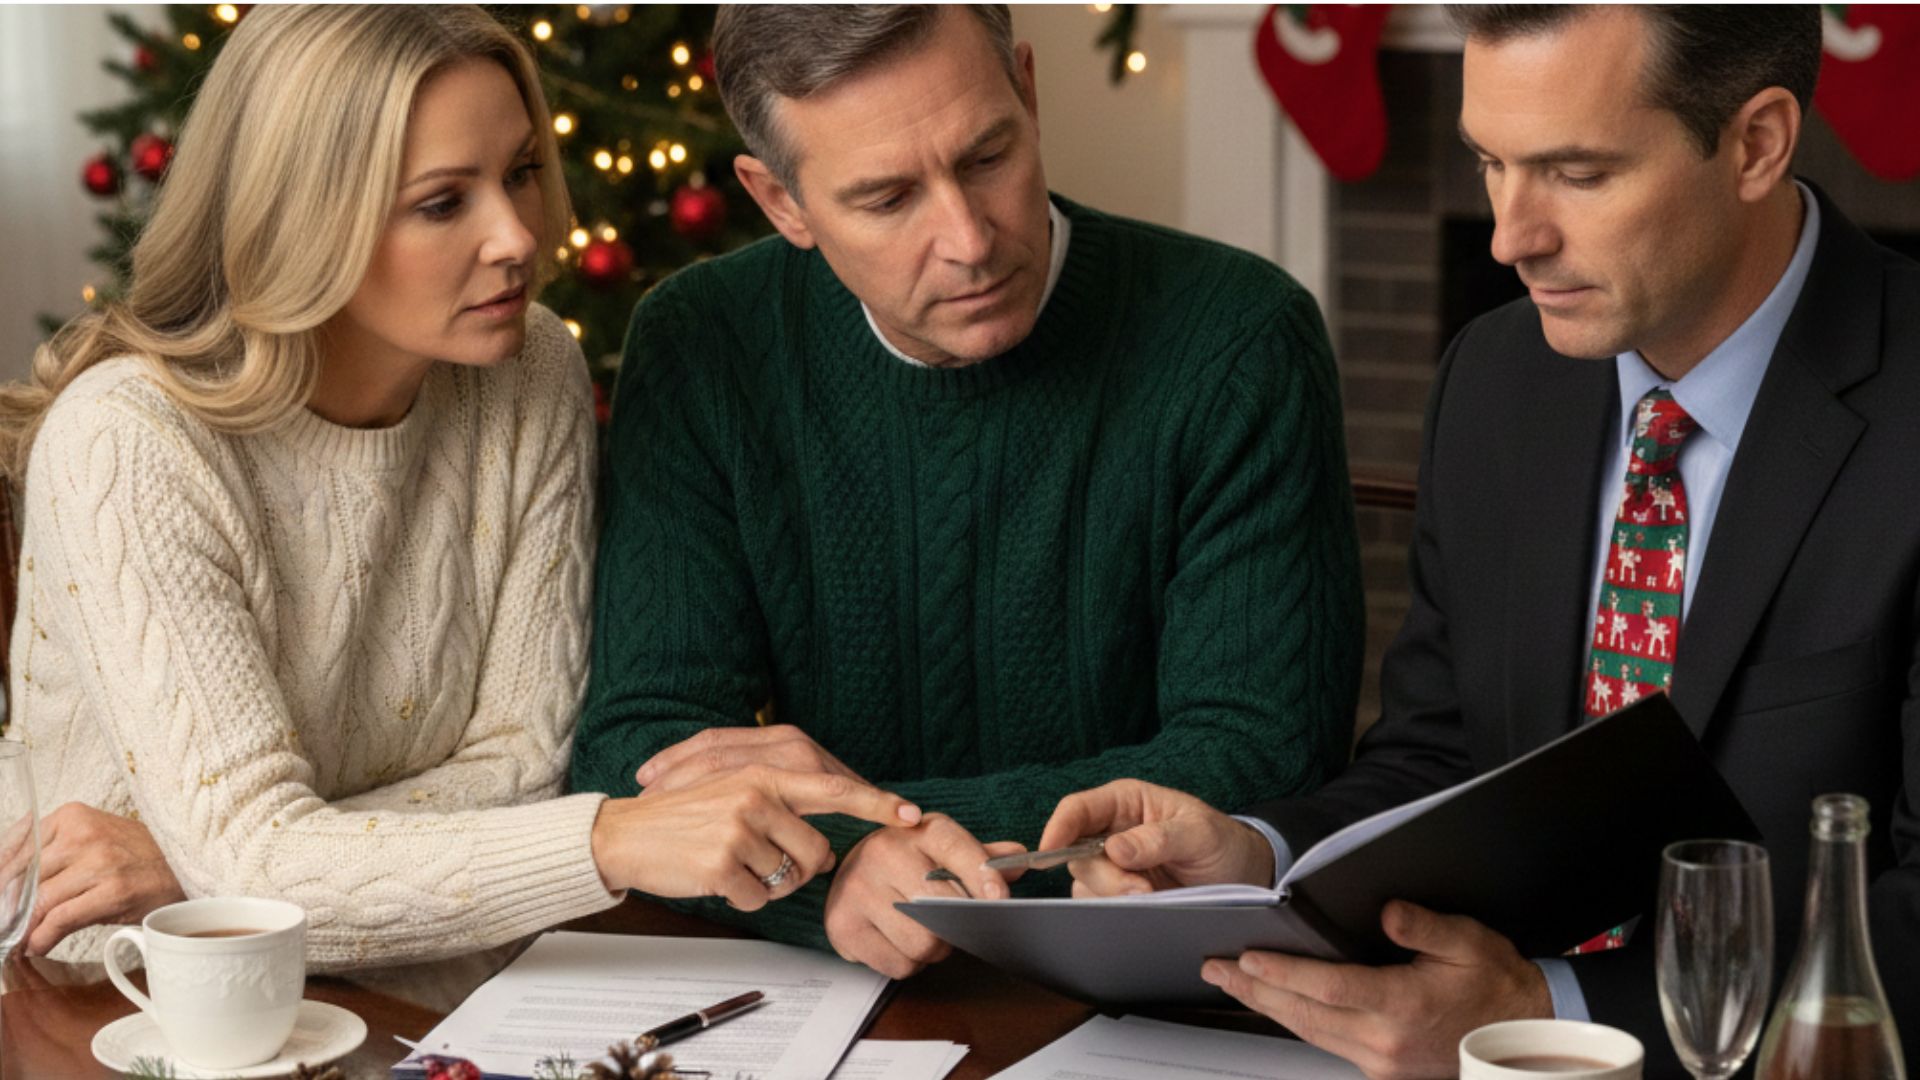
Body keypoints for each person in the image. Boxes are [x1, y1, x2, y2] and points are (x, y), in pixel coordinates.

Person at [1040, 6, 1920, 1077]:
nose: (1511, 238)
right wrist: (1257, 859)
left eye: (1578, 174)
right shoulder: (1497, 377)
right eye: (1488, 164)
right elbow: (1440, 758)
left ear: (1757, 143)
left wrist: (1539, 1008)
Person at [4, 4, 921, 971]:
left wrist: (212, 859)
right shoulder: (130, 443)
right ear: (306, 215)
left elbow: (524, 771)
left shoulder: (529, 373)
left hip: (447, 983)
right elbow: (252, 863)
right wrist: (610, 838)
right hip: (135, 1001)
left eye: (521, 171)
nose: (517, 235)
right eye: (444, 202)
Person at [570, 4, 1363, 979]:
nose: (969, 239)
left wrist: (859, 841)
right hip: (819, 990)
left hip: (1150, 989)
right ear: (782, 204)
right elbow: (636, 758)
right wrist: (844, 873)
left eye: (988, 157)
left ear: (1028, 91)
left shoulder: (1240, 340)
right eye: (888, 198)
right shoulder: (702, 346)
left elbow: (1261, 757)